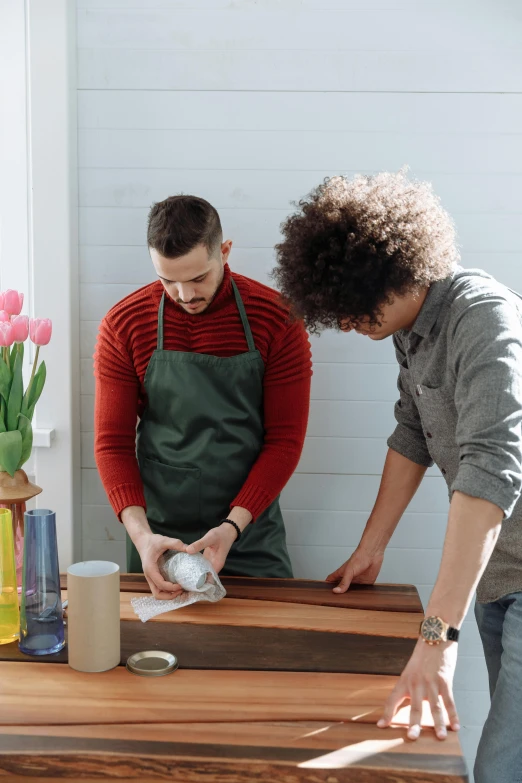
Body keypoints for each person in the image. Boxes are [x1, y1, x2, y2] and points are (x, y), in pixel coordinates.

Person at [273, 171, 522, 783]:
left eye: (358, 309)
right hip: (498, 572)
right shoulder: (410, 329)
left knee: (499, 766)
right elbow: (412, 430)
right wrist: (371, 547)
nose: (352, 324)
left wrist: (436, 639)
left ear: (402, 269)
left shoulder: (484, 324)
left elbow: (490, 473)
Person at [94, 195, 312, 600]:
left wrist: (231, 528)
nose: (184, 294)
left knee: (265, 650)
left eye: (198, 278)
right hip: (158, 536)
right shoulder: (124, 324)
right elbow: (112, 444)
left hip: (248, 534)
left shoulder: (277, 320)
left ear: (224, 252)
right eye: (168, 280)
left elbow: (285, 441)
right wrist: (142, 538)